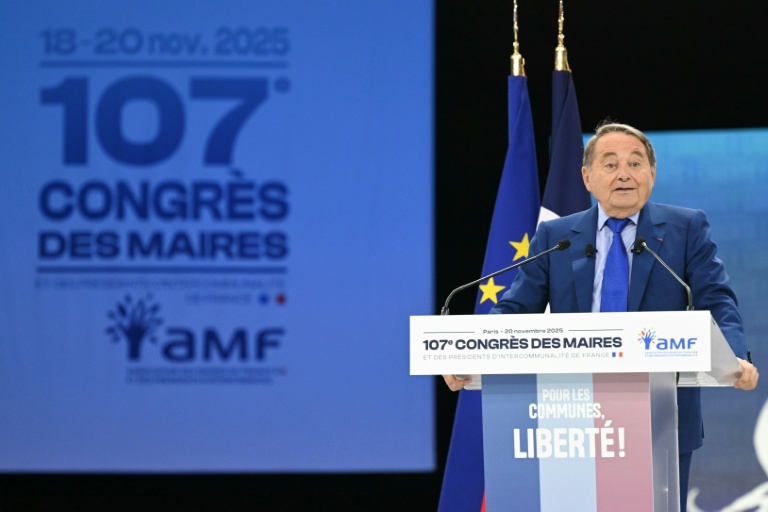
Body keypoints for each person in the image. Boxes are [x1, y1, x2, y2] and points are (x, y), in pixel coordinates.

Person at [443, 121, 759, 511]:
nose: (624, 173)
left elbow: (717, 300)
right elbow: (514, 308)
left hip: (662, 418)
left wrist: (736, 356)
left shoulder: (686, 228)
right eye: (610, 164)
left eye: (635, 163)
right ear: (586, 177)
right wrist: (470, 352)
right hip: (573, 415)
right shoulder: (556, 236)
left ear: (652, 173)